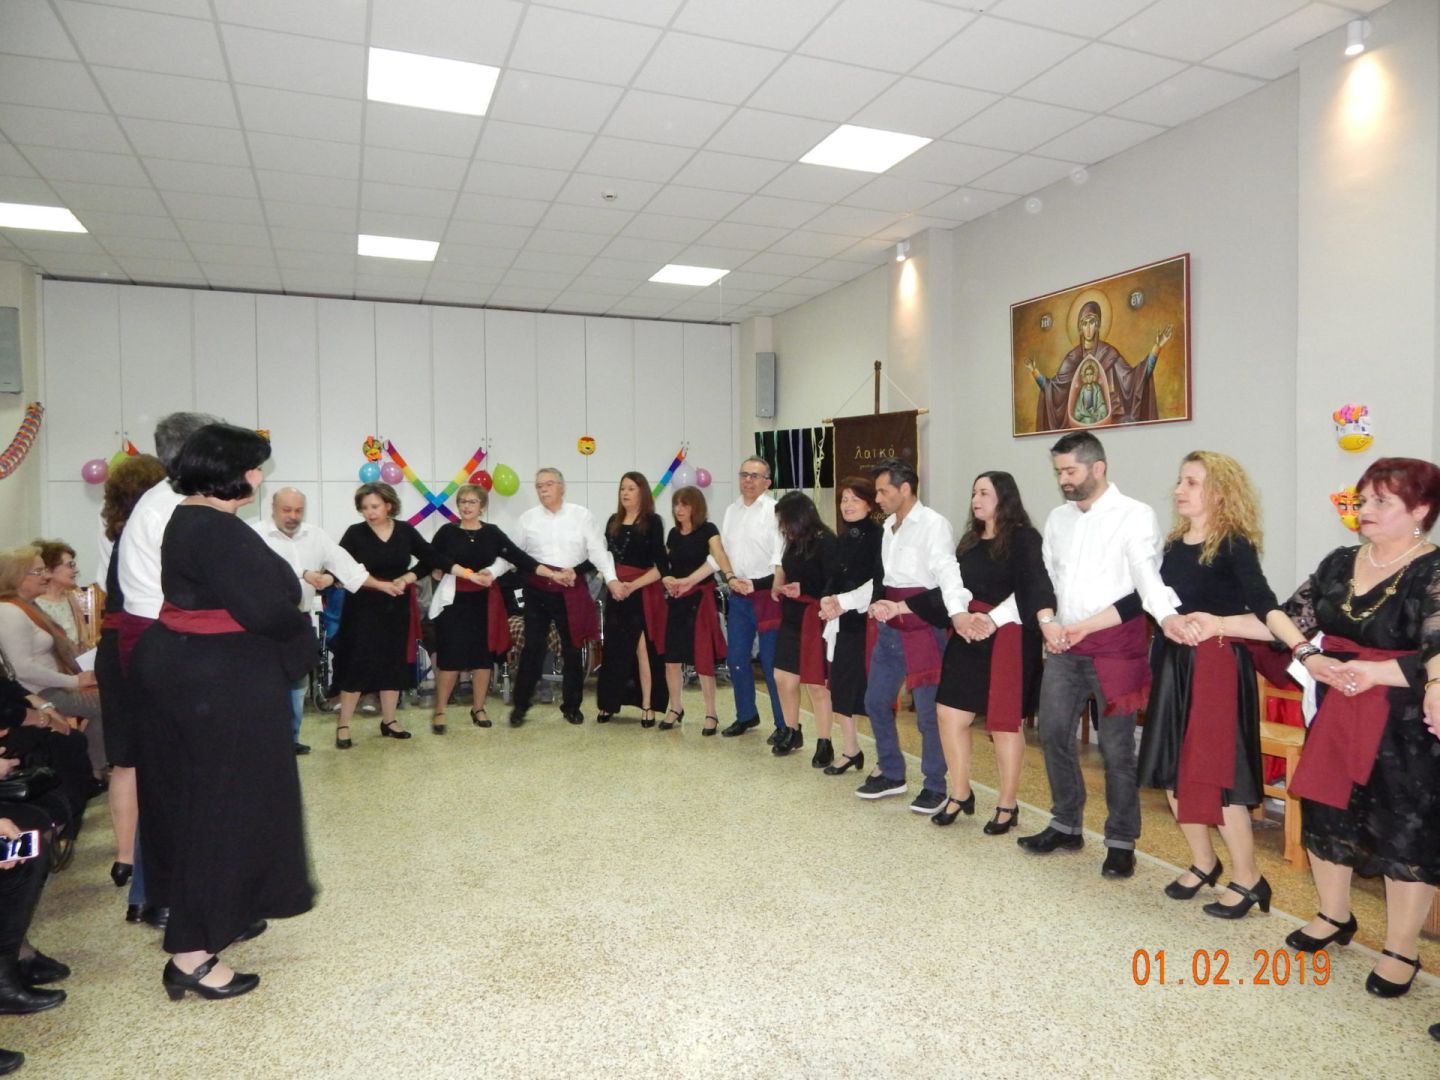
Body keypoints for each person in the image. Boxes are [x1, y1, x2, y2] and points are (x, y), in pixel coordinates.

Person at [130, 423, 315, 1001]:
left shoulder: (187, 516)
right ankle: (190, 956)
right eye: (253, 467)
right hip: (218, 680)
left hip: (188, 668)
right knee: (224, 808)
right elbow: (271, 604)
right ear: (224, 472)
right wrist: (297, 623)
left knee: (199, 803)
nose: (259, 476)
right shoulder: (216, 528)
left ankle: (222, 909)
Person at [1276, 457, 1440, 998]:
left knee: (1403, 831)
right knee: (1328, 810)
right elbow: (1285, 616)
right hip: (1338, 704)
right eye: (1362, 499)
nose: (1364, 509)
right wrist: (1308, 655)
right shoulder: (1341, 560)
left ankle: (1401, 949)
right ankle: (1333, 914)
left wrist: (1386, 674)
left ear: (1420, 510)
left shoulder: (1432, 570)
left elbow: (1437, 648)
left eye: (1380, 501)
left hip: (1404, 722)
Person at [1136, 452, 1305, 916]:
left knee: (1217, 778)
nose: (1179, 490)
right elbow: (1153, 600)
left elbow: (1268, 615)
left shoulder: (1234, 544)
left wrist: (1220, 624)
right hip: (1175, 665)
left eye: (1191, 482)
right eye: (1180, 480)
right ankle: (1203, 862)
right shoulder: (1174, 544)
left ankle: (1249, 878)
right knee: (1172, 771)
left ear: (1220, 492)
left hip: (1215, 669)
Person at [1017, 431, 1185, 879]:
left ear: (1098, 467)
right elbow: (1044, 578)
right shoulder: (1058, 519)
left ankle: (1121, 840)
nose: (1063, 480)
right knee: (1053, 732)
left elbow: (1144, 583)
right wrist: (1047, 621)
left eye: (1070, 471)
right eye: (1059, 472)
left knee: (1116, 751)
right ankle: (1066, 823)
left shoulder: (1135, 515)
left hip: (1115, 649)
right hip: (1064, 646)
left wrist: (1168, 617)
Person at [112, 410, 219, 933]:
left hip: (158, 636)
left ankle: (156, 894)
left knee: (169, 774)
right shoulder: (176, 506)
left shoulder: (166, 499)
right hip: (166, 638)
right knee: (176, 777)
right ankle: (166, 897)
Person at [825, 458, 971, 813]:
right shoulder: (889, 527)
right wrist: (846, 602)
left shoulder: (934, 524)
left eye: (883, 491)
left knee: (927, 713)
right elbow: (882, 582)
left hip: (925, 627)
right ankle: (892, 772)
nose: (877, 498)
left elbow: (948, 576)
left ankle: (935, 784)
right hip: (889, 627)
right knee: (875, 700)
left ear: (905, 489)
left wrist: (959, 613)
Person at [916, 472, 1054, 833]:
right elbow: (954, 584)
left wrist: (992, 620)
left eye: (984, 493)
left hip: (1009, 634)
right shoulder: (970, 541)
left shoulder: (1025, 538)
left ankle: (1008, 804)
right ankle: (960, 793)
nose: (976, 499)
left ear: (1004, 498)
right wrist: (961, 616)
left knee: (1005, 725)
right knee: (949, 713)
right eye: (974, 493)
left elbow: (1033, 587)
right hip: (968, 631)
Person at [95, 453, 167, 901]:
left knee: (125, 759)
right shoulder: (158, 529)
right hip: (148, 641)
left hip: (111, 640)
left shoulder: (111, 531)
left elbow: (108, 587)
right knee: (161, 754)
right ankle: (155, 858)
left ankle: (125, 857)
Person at [253, 487, 372, 753]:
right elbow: (263, 570)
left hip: (300, 619)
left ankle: (291, 739)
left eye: (299, 510)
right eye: (287, 510)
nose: (293, 516)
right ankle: (267, 742)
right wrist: (304, 572)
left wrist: (380, 584)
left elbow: (345, 565)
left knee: (298, 683)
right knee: (265, 684)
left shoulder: (315, 535)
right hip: (263, 622)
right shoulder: (255, 535)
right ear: (273, 508)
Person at [428, 484, 547, 733]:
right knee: (450, 659)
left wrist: (548, 572)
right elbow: (432, 559)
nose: (466, 506)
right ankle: (440, 710)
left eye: (472, 502)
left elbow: (517, 556)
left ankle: (479, 707)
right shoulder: (447, 532)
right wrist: (434, 570)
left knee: (482, 659)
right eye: (462, 502)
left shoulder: (492, 533)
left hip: (485, 602)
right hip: (453, 602)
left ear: (482, 506)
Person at [508, 468, 618, 727]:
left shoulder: (582, 515)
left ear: (562, 487)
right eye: (539, 486)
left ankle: (572, 705)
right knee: (533, 647)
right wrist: (489, 573)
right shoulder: (526, 519)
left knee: (573, 649)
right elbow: (512, 555)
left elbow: (598, 552)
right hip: (537, 589)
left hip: (571, 588)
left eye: (548, 484)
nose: (543, 489)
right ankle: (520, 706)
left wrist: (611, 580)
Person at [332, 482, 436, 747]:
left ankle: (389, 721)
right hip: (362, 607)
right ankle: (343, 724)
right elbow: (339, 566)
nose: (369, 512)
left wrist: (407, 577)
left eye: (375, 506)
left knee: (393, 663)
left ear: (389, 505)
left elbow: (430, 559)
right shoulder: (355, 533)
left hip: (396, 606)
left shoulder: (405, 531)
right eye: (364, 507)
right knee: (357, 663)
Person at [0, 549, 103, 776]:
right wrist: (74, 681)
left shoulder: (27, 606)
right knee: (108, 703)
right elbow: (21, 668)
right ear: (16, 576)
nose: (46, 576)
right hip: (38, 691)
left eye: (45, 570)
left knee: (112, 698)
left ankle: (89, 766)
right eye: (38, 571)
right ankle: (91, 768)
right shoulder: (9, 611)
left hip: (49, 686)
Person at [1024, 300, 1173, 431]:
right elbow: (1054, 389)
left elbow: (1134, 379)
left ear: (1098, 325)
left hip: (1107, 422)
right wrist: (1034, 371)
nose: (1088, 328)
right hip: (1079, 425)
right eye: (1084, 323)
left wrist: (1157, 348)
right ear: (1080, 328)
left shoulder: (1109, 353)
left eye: (1092, 322)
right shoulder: (1072, 358)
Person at [595, 473, 670, 727]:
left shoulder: (653, 522)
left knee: (642, 650)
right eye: (622, 489)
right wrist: (614, 584)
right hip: (617, 591)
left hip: (642, 591)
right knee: (614, 649)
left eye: (631, 488)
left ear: (642, 492)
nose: (625, 493)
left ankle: (648, 704)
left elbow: (661, 565)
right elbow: (605, 558)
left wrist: (633, 586)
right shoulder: (613, 521)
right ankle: (608, 703)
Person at [718, 456, 785, 740]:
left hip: (768, 595)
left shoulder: (775, 511)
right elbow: (722, 553)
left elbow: (780, 558)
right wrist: (730, 578)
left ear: (767, 482)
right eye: (744, 474)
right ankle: (746, 714)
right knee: (736, 658)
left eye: (755, 476)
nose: (748, 480)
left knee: (771, 663)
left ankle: (784, 724)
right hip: (739, 595)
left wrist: (756, 584)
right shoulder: (731, 510)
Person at [661, 486, 734, 735]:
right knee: (672, 659)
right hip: (677, 600)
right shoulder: (673, 534)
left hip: (700, 601)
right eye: (676, 504)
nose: (679, 509)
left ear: (696, 507)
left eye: (685, 504)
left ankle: (711, 712)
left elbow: (719, 554)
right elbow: (665, 563)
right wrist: (667, 579)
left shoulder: (708, 530)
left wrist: (729, 574)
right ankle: (675, 707)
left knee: (703, 659)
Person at [770, 493, 837, 756]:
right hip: (792, 615)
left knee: (816, 684)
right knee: (783, 678)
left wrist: (805, 588)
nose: (783, 527)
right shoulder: (793, 541)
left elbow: (833, 583)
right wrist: (782, 586)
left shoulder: (826, 541)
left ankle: (825, 740)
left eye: (785, 521)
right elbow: (787, 569)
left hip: (816, 617)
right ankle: (792, 730)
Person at [30, 540, 87, 651]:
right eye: (70, 565)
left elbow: (83, 640)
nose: (76, 570)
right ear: (48, 570)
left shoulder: (71, 599)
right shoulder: (34, 603)